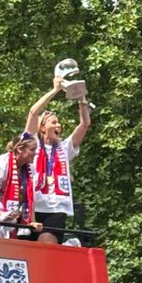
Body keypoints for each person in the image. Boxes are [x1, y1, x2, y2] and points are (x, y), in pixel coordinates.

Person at [25, 77, 92, 245]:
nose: (59, 125)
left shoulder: (64, 147)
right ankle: (68, 247)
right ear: (42, 127)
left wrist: (81, 98)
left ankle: (67, 246)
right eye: (53, 122)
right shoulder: (33, 144)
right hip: (32, 206)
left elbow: (84, 125)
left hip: (56, 208)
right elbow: (33, 112)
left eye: (59, 122)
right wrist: (54, 90)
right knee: (29, 250)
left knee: (44, 244)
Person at [0, 133, 43, 240]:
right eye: (32, 149)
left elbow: (30, 197)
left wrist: (32, 221)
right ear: (19, 149)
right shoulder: (2, 163)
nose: (35, 153)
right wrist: (1, 214)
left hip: (15, 218)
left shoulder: (29, 169)